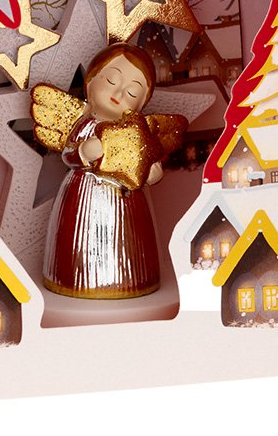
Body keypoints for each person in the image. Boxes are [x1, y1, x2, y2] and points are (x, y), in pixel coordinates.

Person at [31, 43, 186, 299]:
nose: (119, 92)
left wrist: (152, 171)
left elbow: (150, 161)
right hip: (83, 195)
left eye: (133, 92)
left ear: (141, 105)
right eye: (112, 80)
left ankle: (133, 277)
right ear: (91, 82)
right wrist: (83, 152)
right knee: (79, 233)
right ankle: (74, 276)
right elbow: (69, 154)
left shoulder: (139, 134)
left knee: (130, 240)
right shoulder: (87, 125)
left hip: (126, 202)